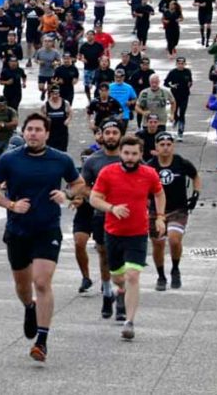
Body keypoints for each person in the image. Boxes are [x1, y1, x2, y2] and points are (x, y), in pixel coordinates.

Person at [0, 112, 84, 362]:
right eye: (29, 130)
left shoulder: (60, 159)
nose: (33, 134)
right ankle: (30, 307)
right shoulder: (9, 159)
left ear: (47, 134)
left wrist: (67, 195)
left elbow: (79, 184)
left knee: (41, 282)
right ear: (24, 132)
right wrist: (11, 205)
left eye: (38, 130)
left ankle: (42, 340)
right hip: (18, 230)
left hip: (47, 229)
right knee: (23, 286)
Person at [89, 135, 165, 340]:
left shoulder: (149, 173)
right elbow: (94, 198)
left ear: (141, 154)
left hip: (138, 233)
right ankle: (119, 291)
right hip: (113, 232)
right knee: (117, 277)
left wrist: (160, 217)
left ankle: (129, 322)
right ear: (121, 154)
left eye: (134, 154)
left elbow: (159, 193)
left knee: (133, 275)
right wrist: (112, 208)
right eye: (126, 153)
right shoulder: (108, 173)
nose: (130, 158)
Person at [77, 120, 123, 315]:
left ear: (120, 135)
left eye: (115, 132)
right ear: (101, 135)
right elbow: (82, 186)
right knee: (104, 253)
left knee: (123, 257)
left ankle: (121, 297)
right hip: (101, 215)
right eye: (108, 132)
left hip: (125, 216)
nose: (111, 136)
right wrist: (96, 196)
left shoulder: (128, 157)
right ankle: (106, 293)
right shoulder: (93, 161)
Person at [147, 131, 201, 291]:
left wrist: (196, 194)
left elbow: (195, 176)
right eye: (162, 145)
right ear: (156, 147)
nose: (165, 148)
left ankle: (175, 268)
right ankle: (161, 275)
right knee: (158, 244)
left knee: (174, 240)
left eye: (169, 145)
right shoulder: (150, 166)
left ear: (173, 146)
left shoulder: (181, 163)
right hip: (156, 211)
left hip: (178, 208)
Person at [164, 57, 193, 140]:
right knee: (175, 112)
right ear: (176, 64)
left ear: (185, 64)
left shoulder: (187, 71)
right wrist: (171, 85)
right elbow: (165, 82)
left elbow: (190, 81)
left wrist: (189, 84)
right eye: (179, 64)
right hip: (174, 96)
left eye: (182, 63)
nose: (180, 65)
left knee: (182, 113)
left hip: (184, 95)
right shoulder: (173, 72)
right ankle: (176, 120)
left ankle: (180, 132)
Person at [41, 85, 71, 152]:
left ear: (59, 93)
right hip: (51, 131)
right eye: (53, 94)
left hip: (62, 131)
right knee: (50, 150)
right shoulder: (45, 105)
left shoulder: (65, 103)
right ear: (50, 94)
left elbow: (70, 113)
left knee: (62, 150)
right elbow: (43, 117)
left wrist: (68, 120)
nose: (55, 96)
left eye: (57, 94)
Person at [34, 37, 62, 101]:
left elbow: (59, 61)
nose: (47, 43)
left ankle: (48, 102)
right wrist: (39, 62)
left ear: (52, 43)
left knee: (50, 90)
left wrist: (55, 63)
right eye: (45, 41)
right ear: (43, 42)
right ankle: (43, 92)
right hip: (42, 72)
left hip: (51, 73)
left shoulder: (55, 52)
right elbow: (35, 60)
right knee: (40, 87)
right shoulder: (40, 51)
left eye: (49, 41)